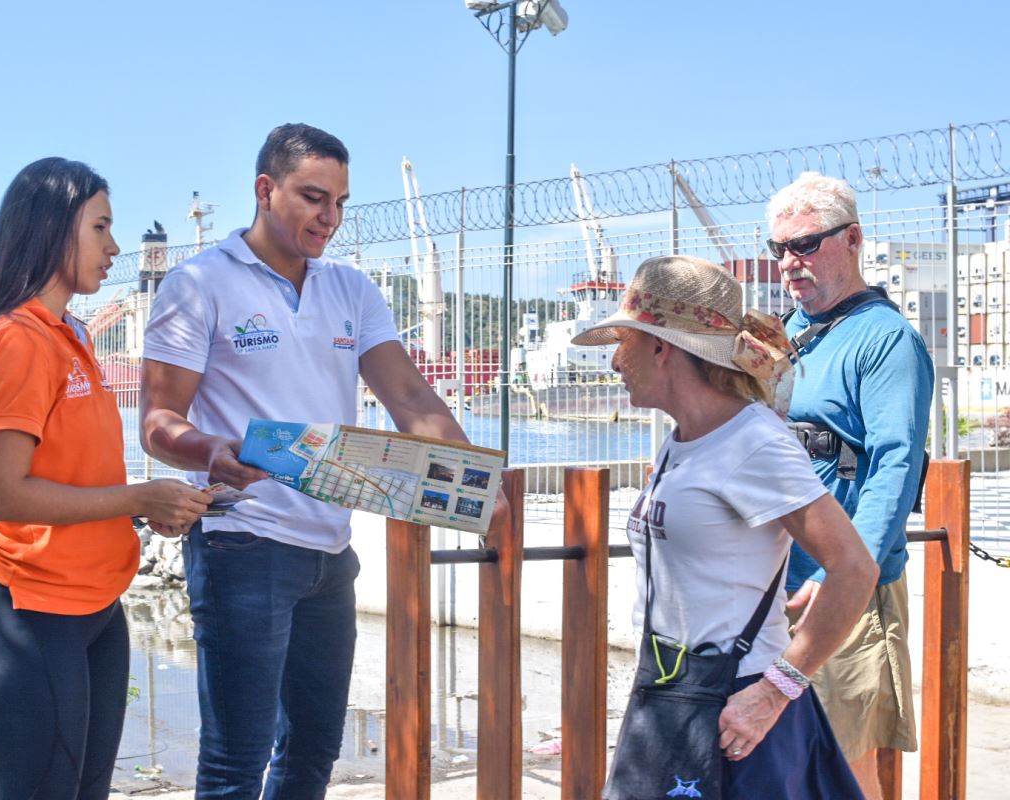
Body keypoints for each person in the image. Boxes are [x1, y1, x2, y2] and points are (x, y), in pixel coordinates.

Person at [139, 123, 505, 799]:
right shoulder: (198, 284)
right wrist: (211, 452)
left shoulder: (352, 289)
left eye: (338, 202)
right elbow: (157, 425)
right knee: (232, 767)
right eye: (313, 197)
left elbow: (409, 394)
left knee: (312, 755)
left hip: (330, 552)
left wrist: (481, 480)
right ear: (264, 189)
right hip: (240, 544)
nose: (328, 218)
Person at [572, 255, 877, 798]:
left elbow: (854, 569)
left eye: (624, 342)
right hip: (673, 692)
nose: (615, 361)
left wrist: (774, 693)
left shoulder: (754, 442)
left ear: (662, 347)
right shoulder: (684, 437)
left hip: (737, 709)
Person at [0, 157, 212, 799]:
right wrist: (138, 495)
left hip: (97, 612)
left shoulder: (72, 337)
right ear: (51, 229)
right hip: (33, 617)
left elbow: (69, 476)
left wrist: (140, 508)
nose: (117, 247)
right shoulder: (16, 339)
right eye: (101, 227)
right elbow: (3, 493)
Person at [766, 172, 933, 799]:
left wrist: (842, 575)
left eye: (805, 245)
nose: (789, 263)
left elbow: (896, 466)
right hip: (779, 584)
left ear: (853, 239)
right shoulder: (786, 332)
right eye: (779, 249)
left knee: (841, 767)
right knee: (781, 759)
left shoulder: (886, 340)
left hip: (842, 589)